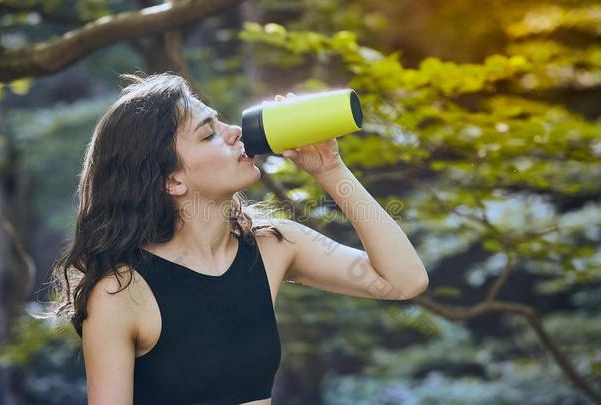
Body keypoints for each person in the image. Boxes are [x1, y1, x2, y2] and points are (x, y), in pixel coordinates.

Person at [47, 72, 428, 405]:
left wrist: (330, 169)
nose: (234, 132)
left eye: (220, 121)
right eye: (209, 132)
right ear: (172, 181)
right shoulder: (120, 292)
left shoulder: (274, 244)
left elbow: (404, 280)